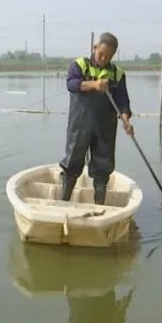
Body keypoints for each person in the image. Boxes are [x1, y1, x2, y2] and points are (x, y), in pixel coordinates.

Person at [60, 32, 134, 205]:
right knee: (72, 164)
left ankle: (99, 207)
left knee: (102, 169)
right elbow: (71, 84)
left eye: (108, 56)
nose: (103, 58)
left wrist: (126, 120)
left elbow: (123, 101)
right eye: (101, 54)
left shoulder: (117, 74)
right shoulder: (80, 65)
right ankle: (63, 202)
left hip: (105, 128)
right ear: (94, 48)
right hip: (79, 125)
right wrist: (94, 84)